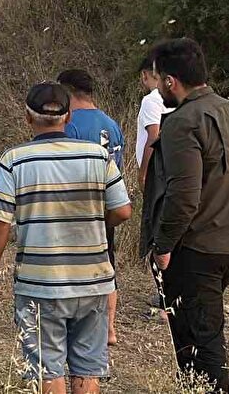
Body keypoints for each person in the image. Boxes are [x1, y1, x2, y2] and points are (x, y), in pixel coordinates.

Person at [0, 82, 131, 394]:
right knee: (88, 368)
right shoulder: (99, 156)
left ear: (27, 117)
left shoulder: (14, 159)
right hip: (94, 281)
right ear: (68, 118)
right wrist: (94, 223)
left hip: (40, 284)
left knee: (46, 367)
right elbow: (123, 211)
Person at [143, 38, 229, 393]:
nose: (157, 87)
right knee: (204, 336)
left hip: (196, 247)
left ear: (170, 81)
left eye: (158, 80)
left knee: (198, 349)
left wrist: (162, 244)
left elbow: (183, 195)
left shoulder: (183, 121)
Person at [57, 68, 126, 347]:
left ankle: (70, 323)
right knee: (106, 266)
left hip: (76, 208)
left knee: (69, 269)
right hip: (107, 206)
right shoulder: (112, 124)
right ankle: (109, 329)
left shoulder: (70, 123)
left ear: (67, 92)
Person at [136, 56, 172, 190]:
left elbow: (154, 135)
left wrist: (144, 173)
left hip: (156, 172)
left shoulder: (150, 100)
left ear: (144, 75)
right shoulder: (174, 97)